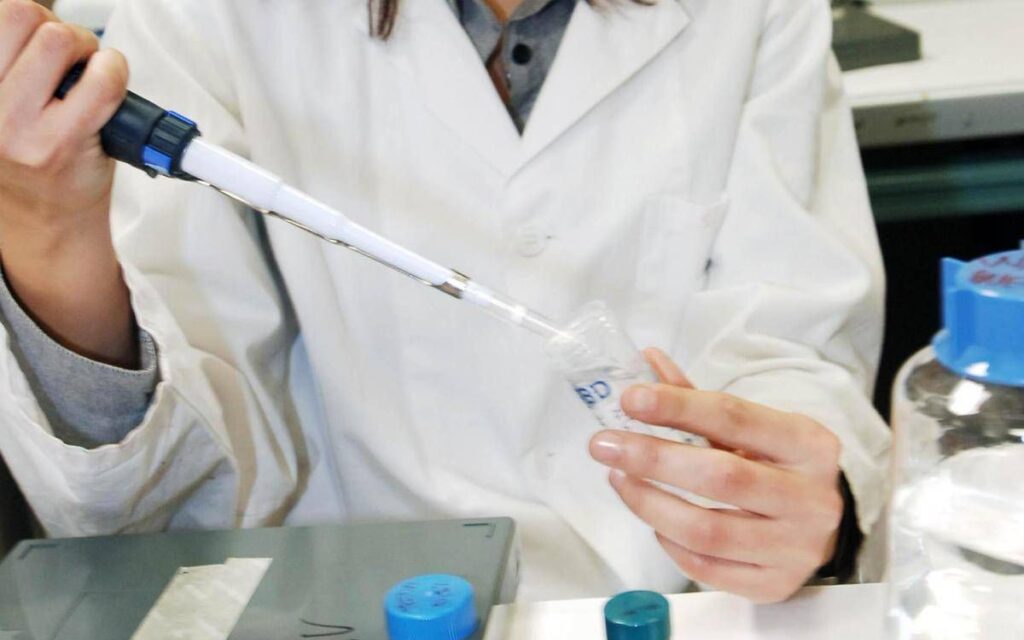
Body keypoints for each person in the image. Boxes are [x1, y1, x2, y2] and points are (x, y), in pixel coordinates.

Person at [0, 0, 891, 602]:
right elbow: (169, 486)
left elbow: (792, 341)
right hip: (349, 612)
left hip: (688, 611)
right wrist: (50, 229)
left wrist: (796, 504)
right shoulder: (209, 16)